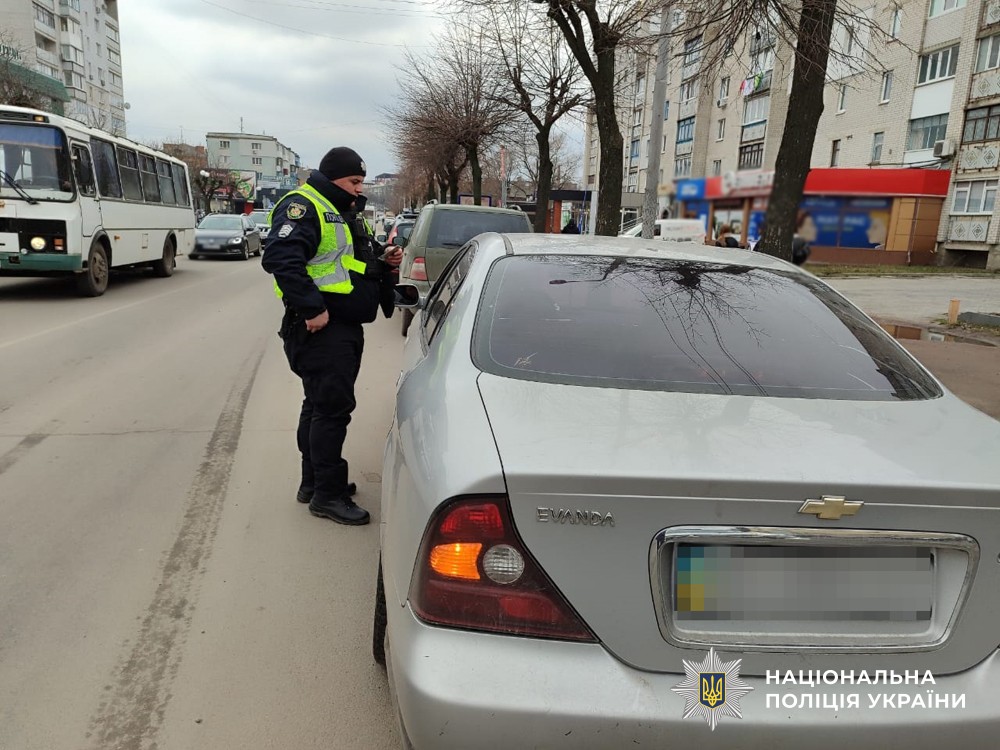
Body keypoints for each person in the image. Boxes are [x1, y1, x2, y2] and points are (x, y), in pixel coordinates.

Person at [262, 147, 402, 526]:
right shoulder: (304, 205)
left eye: (361, 182)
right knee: (331, 412)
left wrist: (384, 257)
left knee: (318, 406)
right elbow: (280, 258)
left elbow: (347, 259)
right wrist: (313, 308)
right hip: (322, 328)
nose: (359, 189)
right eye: (354, 181)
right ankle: (327, 495)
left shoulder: (339, 210)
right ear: (333, 177)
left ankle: (313, 483)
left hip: (338, 326)